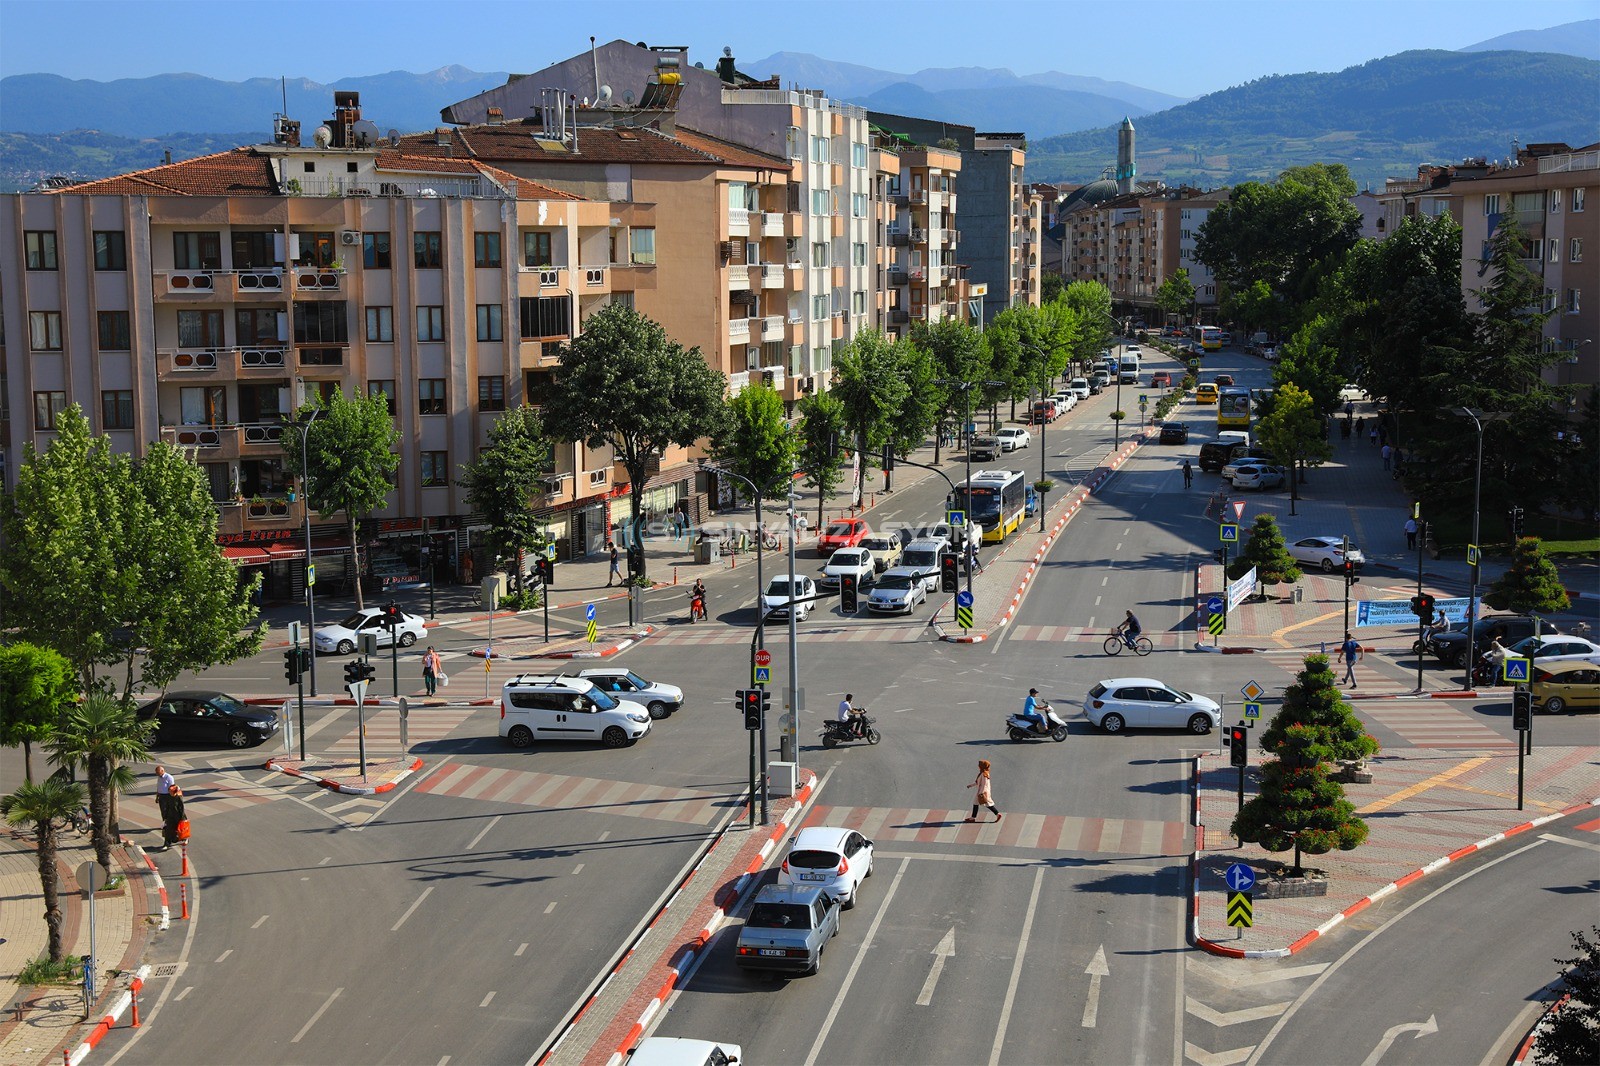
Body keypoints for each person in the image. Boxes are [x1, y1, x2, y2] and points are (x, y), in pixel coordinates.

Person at [965, 759, 1002, 824]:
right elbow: (978, 782)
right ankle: (973, 818)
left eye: (979, 765)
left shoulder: (984, 774)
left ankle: (997, 814)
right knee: (977, 803)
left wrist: (981, 793)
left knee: (987, 804)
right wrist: (970, 785)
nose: (978, 766)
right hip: (982, 792)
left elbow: (984, 784)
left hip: (982, 792)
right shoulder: (983, 773)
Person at [154, 766, 175, 842]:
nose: (156, 774)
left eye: (158, 772)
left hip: (167, 796)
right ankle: (164, 823)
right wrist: (157, 797)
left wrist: (172, 798)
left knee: (167, 811)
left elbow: (172, 788)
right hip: (161, 796)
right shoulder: (159, 777)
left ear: (162, 771)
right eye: (156, 772)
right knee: (163, 811)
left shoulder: (169, 777)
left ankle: (168, 825)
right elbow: (159, 787)